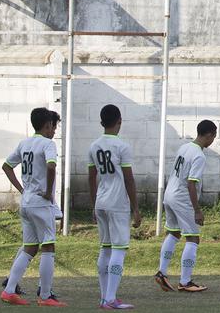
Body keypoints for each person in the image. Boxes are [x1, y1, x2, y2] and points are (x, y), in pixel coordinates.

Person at [0, 108, 65, 307]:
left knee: (29, 248)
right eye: (54, 126)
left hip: (26, 202)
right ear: (47, 125)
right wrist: (48, 193)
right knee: (48, 246)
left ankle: (9, 291)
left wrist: (22, 189)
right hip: (40, 202)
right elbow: (51, 166)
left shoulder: (24, 143)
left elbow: (6, 166)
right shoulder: (48, 144)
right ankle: (45, 296)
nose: (54, 131)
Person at [88, 104, 142, 310]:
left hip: (101, 202)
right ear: (119, 121)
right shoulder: (122, 146)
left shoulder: (94, 146)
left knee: (106, 248)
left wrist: (93, 206)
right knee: (118, 249)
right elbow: (129, 179)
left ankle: (105, 297)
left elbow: (91, 178)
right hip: (118, 203)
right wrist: (135, 208)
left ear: (101, 122)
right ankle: (110, 298)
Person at [154, 120, 217, 294]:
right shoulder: (199, 155)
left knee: (173, 233)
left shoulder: (184, 147)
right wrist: (197, 210)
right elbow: (191, 184)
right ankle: (185, 281)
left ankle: (162, 272)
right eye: (214, 136)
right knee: (193, 238)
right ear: (209, 135)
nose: (213, 140)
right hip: (182, 198)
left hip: (169, 194)